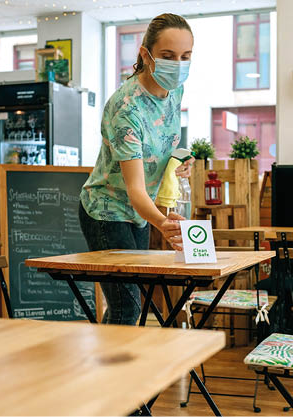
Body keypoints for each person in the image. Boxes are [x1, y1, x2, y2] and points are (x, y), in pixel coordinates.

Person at [79, 13, 195, 325]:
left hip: (139, 214)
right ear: (145, 54)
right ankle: (117, 374)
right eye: (168, 56)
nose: (179, 65)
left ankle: (117, 371)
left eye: (186, 56)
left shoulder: (175, 92)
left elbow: (164, 142)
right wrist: (165, 225)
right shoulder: (125, 108)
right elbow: (135, 191)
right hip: (107, 210)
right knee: (126, 306)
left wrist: (182, 159)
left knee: (130, 303)